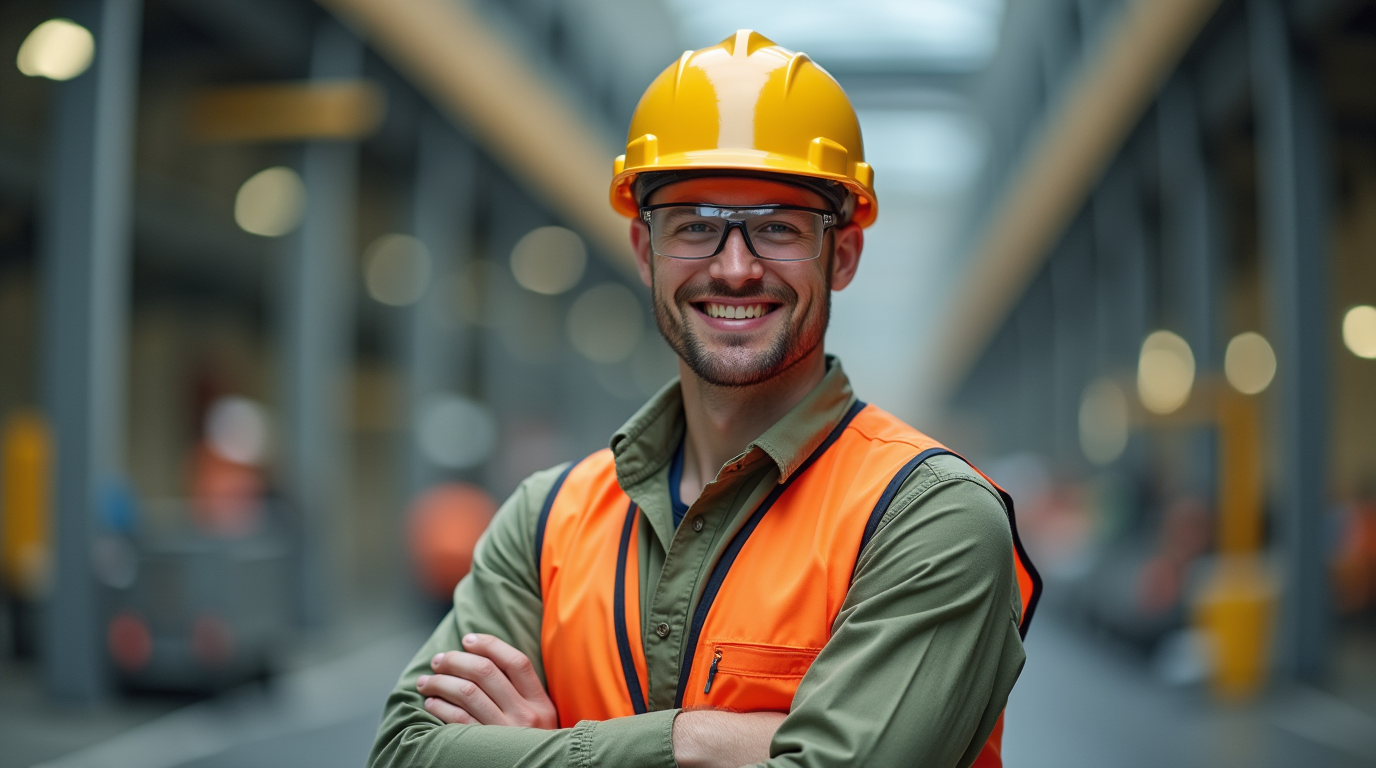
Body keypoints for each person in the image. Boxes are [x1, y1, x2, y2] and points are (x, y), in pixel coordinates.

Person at [370, 30, 1040, 768]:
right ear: (643, 250)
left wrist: (546, 751)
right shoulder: (545, 520)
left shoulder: (929, 516)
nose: (735, 268)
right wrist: (706, 743)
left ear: (841, 255)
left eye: (777, 228)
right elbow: (405, 751)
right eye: (694, 227)